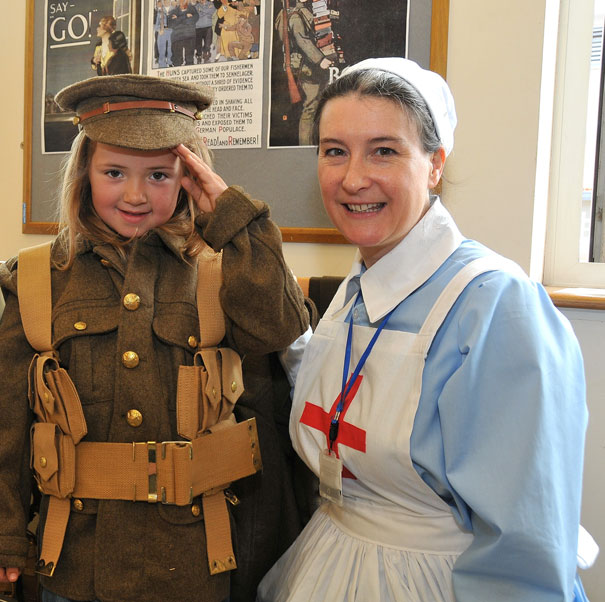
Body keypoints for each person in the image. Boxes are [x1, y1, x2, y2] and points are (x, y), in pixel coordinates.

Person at [258, 57, 596, 601]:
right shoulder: (360, 283)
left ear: (435, 163)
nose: (353, 177)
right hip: (331, 558)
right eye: (334, 151)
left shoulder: (495, 306)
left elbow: (526, 540)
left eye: (384, 151)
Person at [0, 74, 310, 602]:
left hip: (196, 561)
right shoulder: (37, 281)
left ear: (191, 177)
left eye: (161, 175)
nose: (136, 194)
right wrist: (6, 537)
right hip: (76, 562)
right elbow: (6, 420)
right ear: (85, 174)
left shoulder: (221, 272)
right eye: (114, 172)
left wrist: (234, 220)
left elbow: (280, 329)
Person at [275, 0, 333, 146]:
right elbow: (303, 41)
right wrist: (320, 60)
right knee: (310, 107)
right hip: (305, 66)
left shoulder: (286, 14)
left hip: (299, 64)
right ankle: (305, 145)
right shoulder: (295, 15)